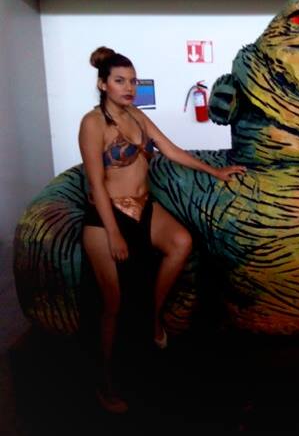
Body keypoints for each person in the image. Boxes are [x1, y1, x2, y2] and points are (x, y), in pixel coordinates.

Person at [79, 46, 246, 413]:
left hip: (144, 208)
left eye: (133, 81)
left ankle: (153, 318)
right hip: (106, 216)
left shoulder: (138, 116)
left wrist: (216, 171)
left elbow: (171, 151)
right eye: (120, 81)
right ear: (103, 84)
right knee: (113, 303)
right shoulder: (93, 123)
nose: (129, 87)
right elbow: (96, 184)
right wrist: (114, 233)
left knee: (181, 242)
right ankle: (105, 382)